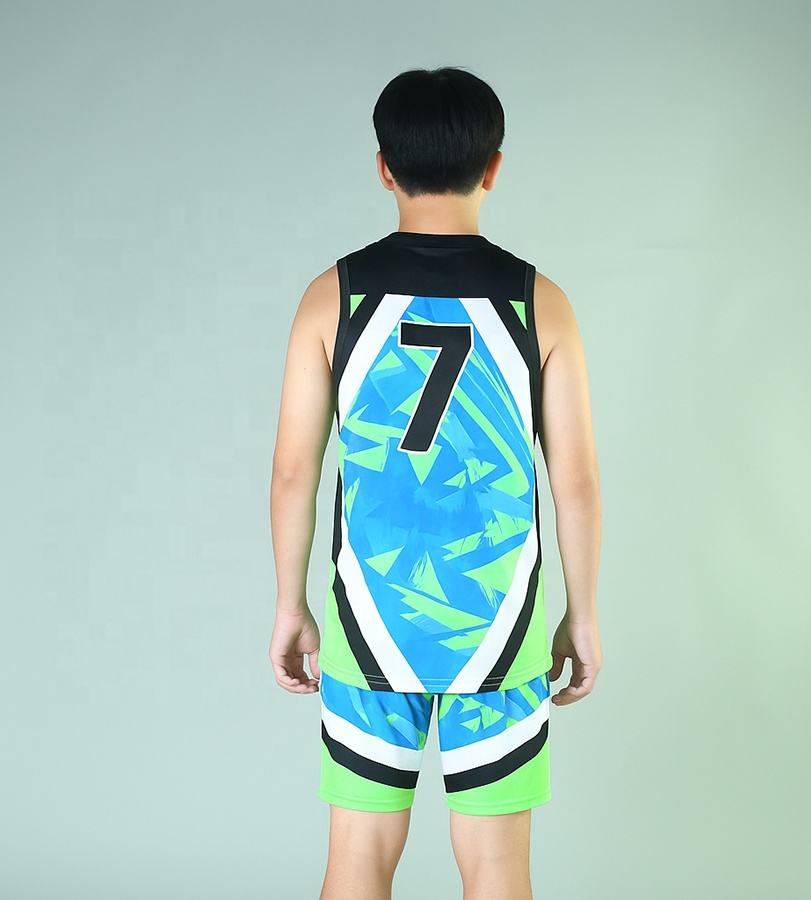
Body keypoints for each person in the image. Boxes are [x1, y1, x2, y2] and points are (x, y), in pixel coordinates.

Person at [269, 66, 603, 900]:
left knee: (357, 859)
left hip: (369, 623)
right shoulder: (541, 302)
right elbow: (575, 480)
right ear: (494, 167)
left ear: (384, 168)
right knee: (497, 868)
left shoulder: (331, 297)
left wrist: (290, 603)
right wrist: (582, 613)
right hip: (499, 628)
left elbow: (292, 472)